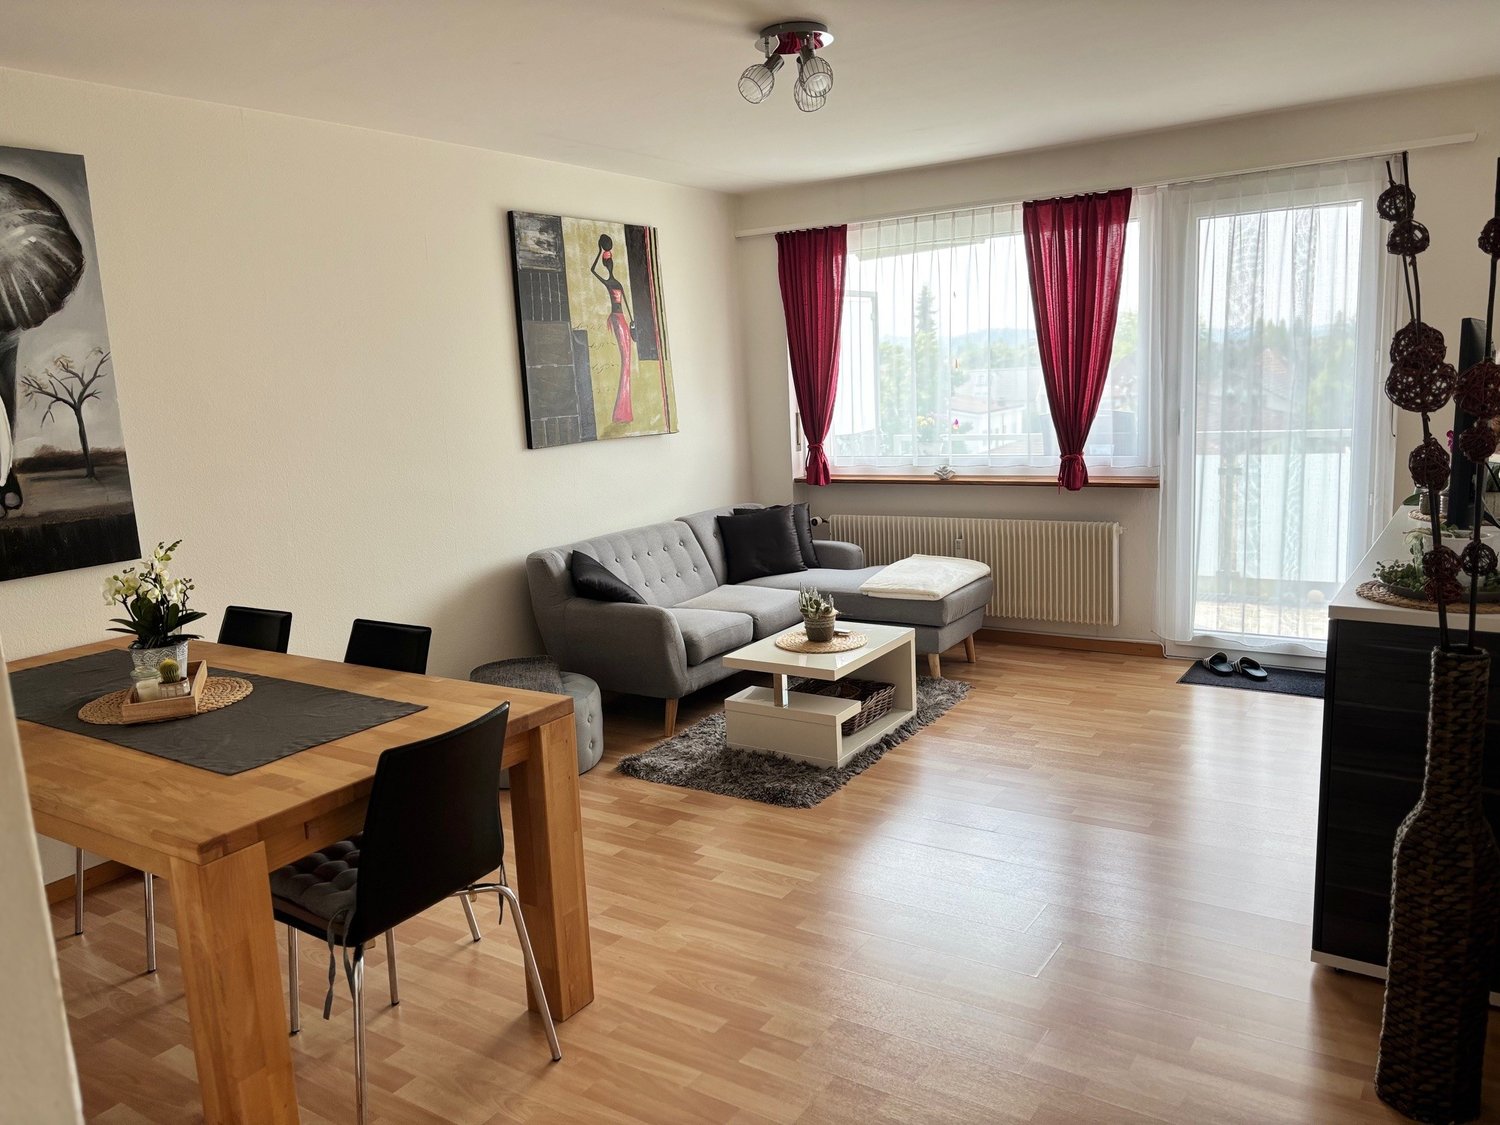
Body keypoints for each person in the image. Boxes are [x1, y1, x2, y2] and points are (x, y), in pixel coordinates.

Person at [590, 234, 636, 424]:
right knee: (625, 361)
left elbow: (593, 269)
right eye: (610, 264)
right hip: (619, 320)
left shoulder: (613, 283)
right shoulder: (614, 283)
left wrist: (600, 252)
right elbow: (626, 308)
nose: (610, 266)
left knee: (627, 361)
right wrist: (602, 251)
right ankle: (621, 412)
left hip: (621, 319)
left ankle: (624, 411)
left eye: (608, 264)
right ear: (611, 265)